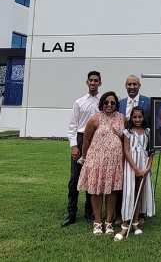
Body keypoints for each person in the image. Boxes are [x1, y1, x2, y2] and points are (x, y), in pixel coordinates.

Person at [78, 91, 125, 235]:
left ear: (116, 104)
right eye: (106, 102)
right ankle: (97, 222)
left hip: (114, 162)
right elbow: (86, 140)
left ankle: (109, 222)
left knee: (112, 191)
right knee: (96, 191)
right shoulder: (95, 119)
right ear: (102, 104)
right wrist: (84, 157)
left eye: (112, 102)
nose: (109, 105)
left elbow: (127, 138)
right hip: (96, 160)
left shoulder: (122, 118)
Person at [62, 71, 101, 227]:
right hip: (80, 138)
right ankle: (71, 213)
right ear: (87, 82)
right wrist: (73, 146)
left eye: (96, 80)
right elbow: (72, 126)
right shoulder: (79, 102)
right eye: (91, 80)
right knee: (75, 179)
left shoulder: (103, 102)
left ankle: (89, 212)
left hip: (96, 141)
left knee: (92, 177)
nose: (93, 83)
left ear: (100, 83)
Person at [114, 107, 155, 241]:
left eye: (140, 117)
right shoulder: (128, 132)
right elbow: (126, 151)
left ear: (143, 118)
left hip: (144, 166)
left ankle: (135, 223)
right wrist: (135, 168)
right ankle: (125, 224)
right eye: (135, 117)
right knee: (129, 193)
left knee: (139, 194)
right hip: (132, 166)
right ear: (131, 118)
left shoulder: (148, 132)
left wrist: (147, 168)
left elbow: (151, 152)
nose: (137, 119)